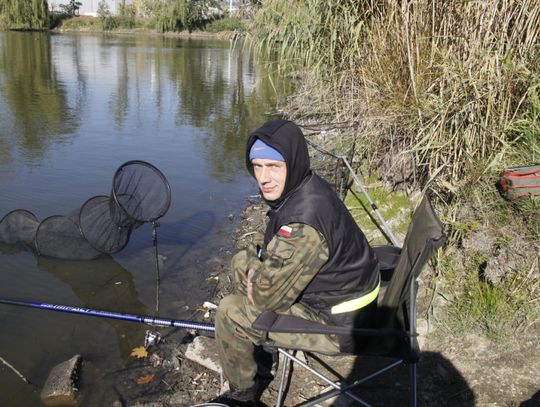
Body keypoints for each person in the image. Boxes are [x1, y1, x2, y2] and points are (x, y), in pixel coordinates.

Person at [208, 119, 380, 406]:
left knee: (229, 311)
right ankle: (262, 352)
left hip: (339, 327)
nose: (264, 177)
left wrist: (251, 264)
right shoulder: (309, 186)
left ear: (293, 162)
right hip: (346, 301)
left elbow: (263, 299)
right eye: (257, 166)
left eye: (274, 166)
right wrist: (256, 265)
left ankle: (244, 394)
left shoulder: (303, 225)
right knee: (246, 269)